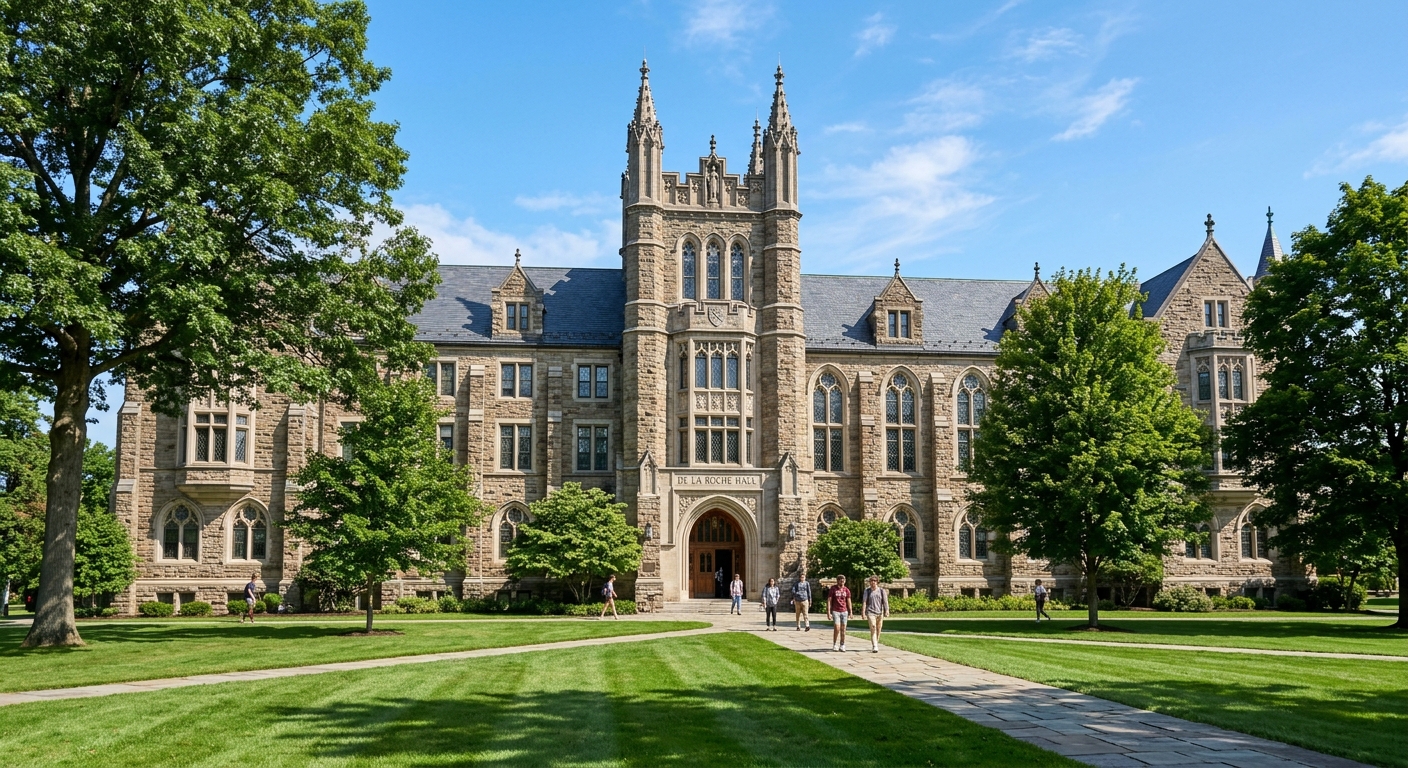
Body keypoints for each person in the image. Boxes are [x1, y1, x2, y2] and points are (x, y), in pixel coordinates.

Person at [862, 576, 890, 653]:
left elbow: (885, 602)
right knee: (873, 627)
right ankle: (875, 646)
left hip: (879, 613)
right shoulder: (867, 591)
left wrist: (887, 610)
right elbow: (864, 602)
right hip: (870, 612)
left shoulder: (881, 591)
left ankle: (876, 643)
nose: (873, 582)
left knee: (878, 629)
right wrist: (863, 612)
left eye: (874, 581)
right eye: (871, 581)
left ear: (877, 582)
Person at [828, 575, 852, 652]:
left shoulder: (846, 590)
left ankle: (842, 644)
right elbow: (829, 600)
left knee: (843, 629)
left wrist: (851, 611)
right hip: (836, 611)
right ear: (837, 580)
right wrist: (828, 612)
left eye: (843, 580)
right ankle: (835, 643)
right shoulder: (833, 589)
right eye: (840, 580)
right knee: (837, 627)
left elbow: (849, 601)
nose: (842, 581)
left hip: (844, 611)